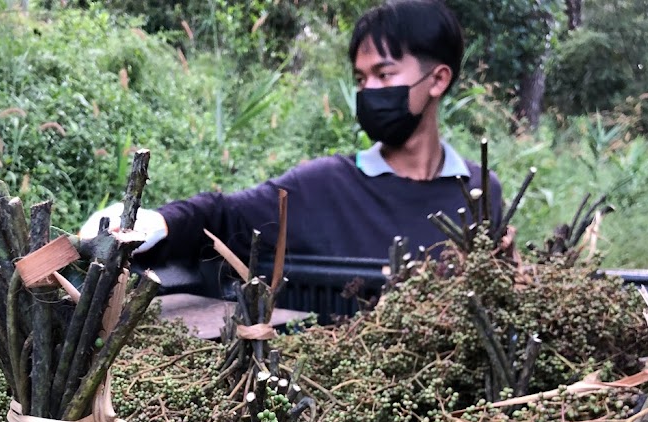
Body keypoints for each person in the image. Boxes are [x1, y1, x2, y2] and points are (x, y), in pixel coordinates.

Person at [80, 0, 502, 269]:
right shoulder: (327, 186)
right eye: (360, 79)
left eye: (384, 74)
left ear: (438, 79)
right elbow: (224, 216)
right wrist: (152, 223)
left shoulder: (481, 192)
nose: (368, 91)